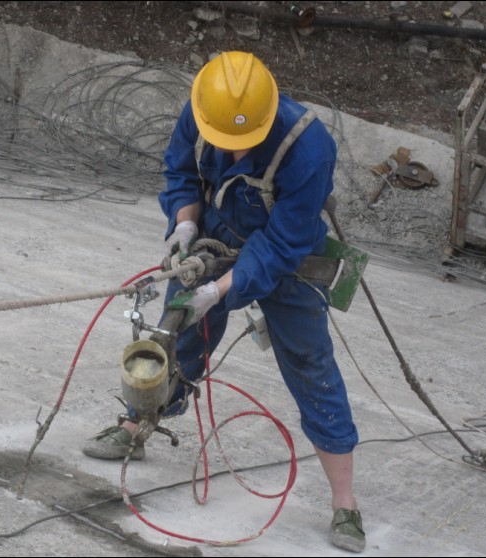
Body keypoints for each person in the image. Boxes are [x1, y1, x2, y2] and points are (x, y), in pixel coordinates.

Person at [82, 51, 365, 553]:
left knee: (309, 364)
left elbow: (280, 246)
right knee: (172, 336)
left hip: (286, 259)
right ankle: (136, 425)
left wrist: (218, 292)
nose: (230, 148)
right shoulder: (204, 107)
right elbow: (180, 170)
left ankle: (346, 503)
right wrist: (185, 224)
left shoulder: (309, 148)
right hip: (213, 237)